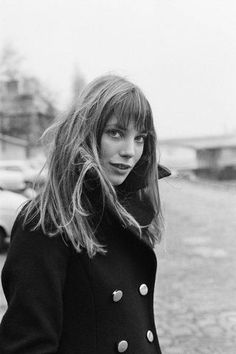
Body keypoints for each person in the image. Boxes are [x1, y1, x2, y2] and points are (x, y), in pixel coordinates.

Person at [0, 74, 170, 353]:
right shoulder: (47, 220)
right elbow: (27, 344)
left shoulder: (124, 214)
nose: (130, 151)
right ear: (85, 132)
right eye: (115, 133)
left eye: (139, 138)